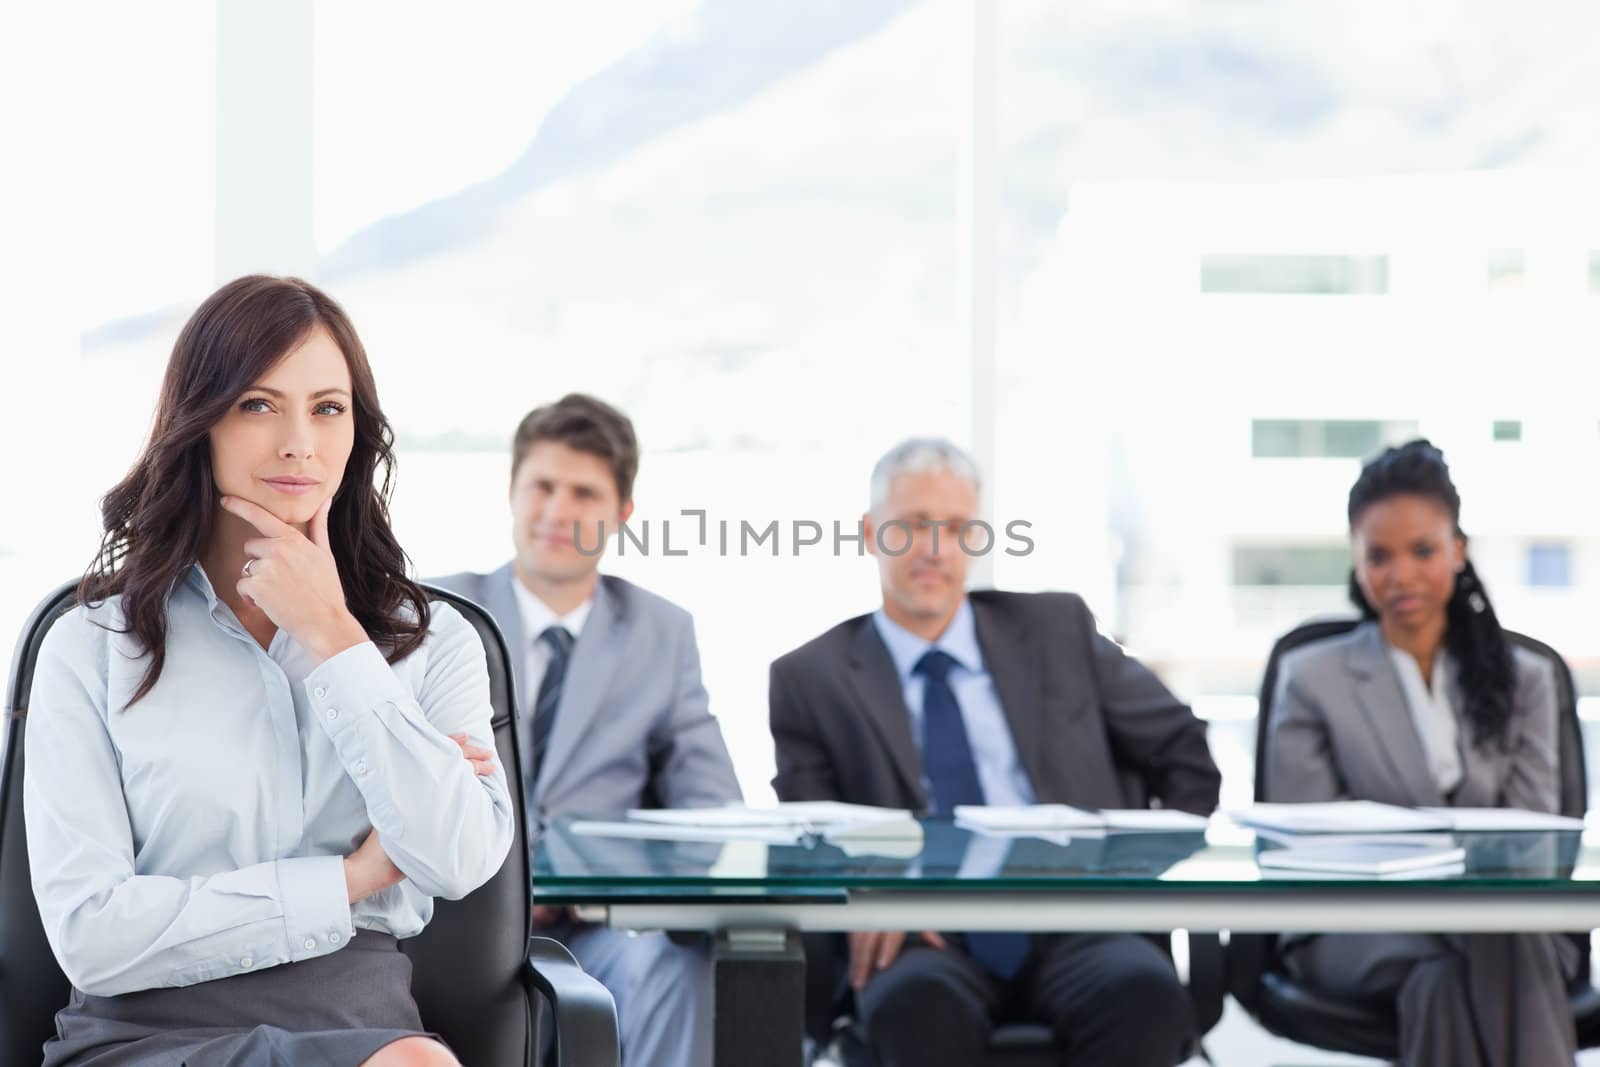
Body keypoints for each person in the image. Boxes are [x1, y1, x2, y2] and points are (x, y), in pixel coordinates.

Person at [24, 275, 516, 1067]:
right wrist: (350, 878)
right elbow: (91, 936)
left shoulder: (433, 640)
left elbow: (455, 858)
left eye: (328, 407)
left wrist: (334, 637)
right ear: (200, 420)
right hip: (141, 1037)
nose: (299, 443)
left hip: (366, 1032)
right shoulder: (91, 644)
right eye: (258, 404)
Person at [768, 437, 1217, 1067]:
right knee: (914, 1007)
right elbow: (810, 833)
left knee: (1142, 995)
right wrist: (870, 896)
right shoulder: (811, 678)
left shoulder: (1056, 630)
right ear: (872, 533)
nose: (934, 549)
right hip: (922, 934)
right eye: (913, 526)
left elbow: (1186, 753)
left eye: (955, 529)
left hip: (1077, 921)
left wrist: (1137, 876)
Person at [431, 392, 739, 1067]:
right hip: (447, 924)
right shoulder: (435, 612)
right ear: (512, 491)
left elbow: (711, 813)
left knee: (681, 970)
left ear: (622, 513)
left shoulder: (662, 632)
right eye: (541, 485)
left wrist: (587, 883)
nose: (557, 510)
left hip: (593, 927)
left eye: (584, 492)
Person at [1265, 438, 1577, 1066]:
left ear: (1458, 551)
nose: (1400, 575)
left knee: (1459, 968)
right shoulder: (1310, 678)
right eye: (1379, 555)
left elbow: (1534, 843)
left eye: (1423, 550)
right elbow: (1312, 849)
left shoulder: (1526, 677)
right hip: (1358, 925)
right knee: (1482, 955)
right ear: (1356, 564)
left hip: (1506, 919)